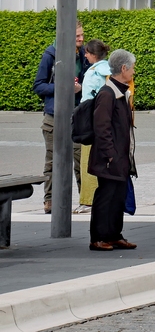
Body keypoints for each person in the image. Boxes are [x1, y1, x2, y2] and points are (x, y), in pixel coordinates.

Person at [33, 20, 87, 214]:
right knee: (52, 161)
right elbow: (38, 86)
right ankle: (50, 201)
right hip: (54, 116)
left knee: (81, 159)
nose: (81, 39)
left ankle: (85, 201)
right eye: (77, 36)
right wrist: (62, 87)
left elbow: (86, 80)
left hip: (76, 116)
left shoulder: (82, 55)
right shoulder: (50, 55)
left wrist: (81, 87)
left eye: (82, 35)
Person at [88, 49, 137, 251]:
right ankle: (98, 237)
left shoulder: (119, 92)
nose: (134, 71)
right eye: (132, 67)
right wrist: (110, 155)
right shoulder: (107, 94)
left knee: (118, 195)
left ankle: (114, 234)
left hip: (119, 156)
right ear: (123, 68)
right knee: (106, 195)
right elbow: (102, 127)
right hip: (109, 157)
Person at [75, 39, 112, 215]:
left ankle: (88, 200)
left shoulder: (92, 72)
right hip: (108, 119)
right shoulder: (111, 70)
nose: (86, 55)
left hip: (91, 119)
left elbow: (87, 99)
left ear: (93, 54)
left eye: (88, 53)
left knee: (87, 161)